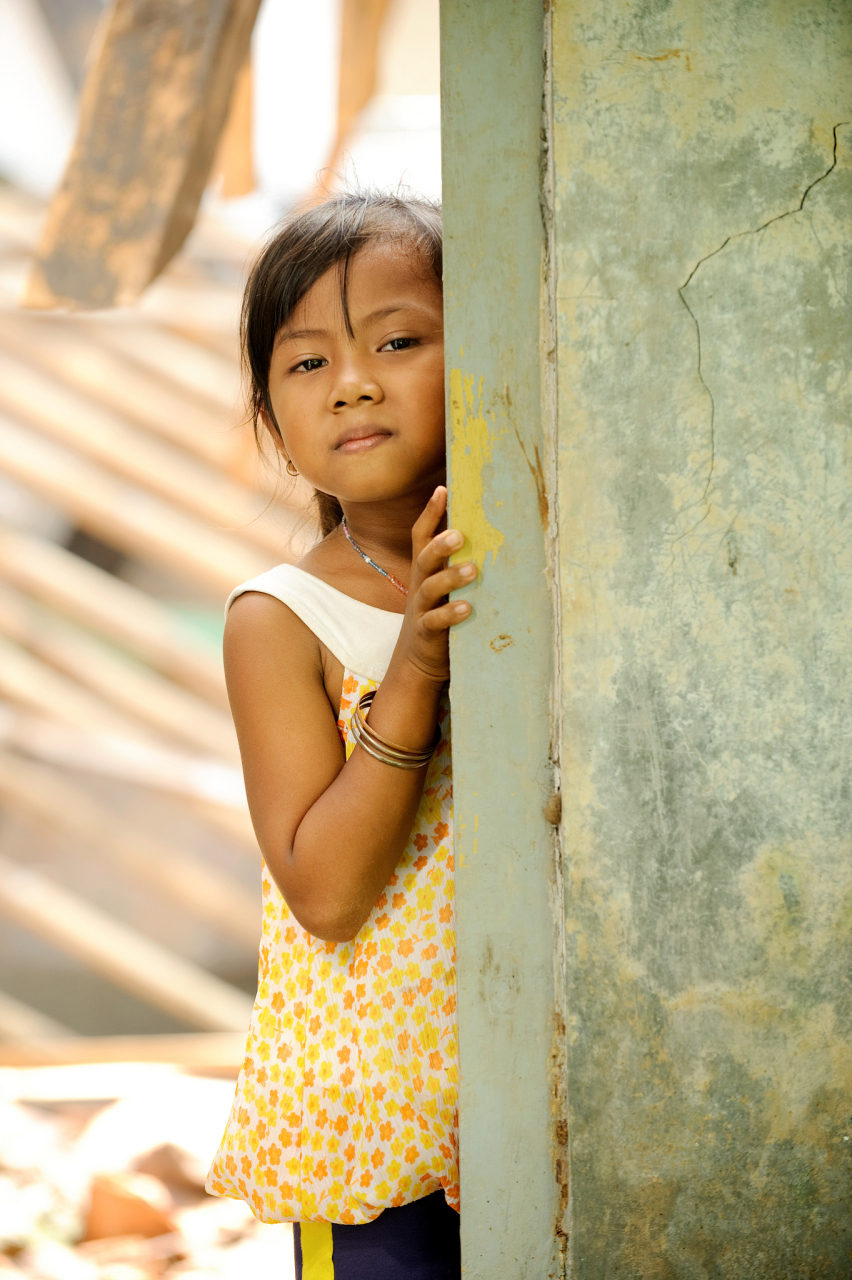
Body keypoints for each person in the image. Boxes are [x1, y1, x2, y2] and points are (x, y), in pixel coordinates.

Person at [206, 193, 475, 1280]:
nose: (353, 382)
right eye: (306, 364)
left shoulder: (524, 563)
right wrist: (411, 667)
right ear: (273, 420)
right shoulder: (282, 619)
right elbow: (323, 889)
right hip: (371, 1113)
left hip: (529, 1083)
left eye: (398, 342)